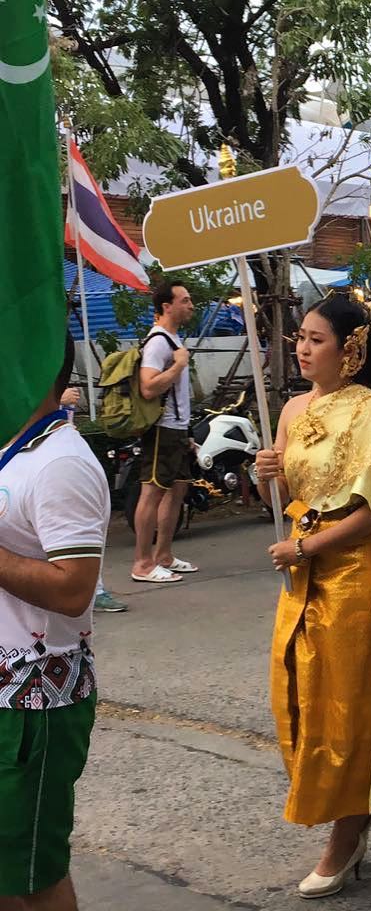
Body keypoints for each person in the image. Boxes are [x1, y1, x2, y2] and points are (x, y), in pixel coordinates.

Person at [254, 294, 371, 899]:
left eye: (316, 339)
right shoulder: (294, 407)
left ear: (350, 349)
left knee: (347, 704)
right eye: (299, 336)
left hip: (347, 578)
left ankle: (345, 838)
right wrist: (267, 470)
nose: (302, 347)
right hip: (301, 576)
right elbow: (287, 494)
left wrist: (309, 547)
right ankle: (343, 808)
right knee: (298, 696)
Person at [0, 334, 110, 911]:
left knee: (34, 870)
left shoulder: (62, 463)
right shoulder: (15, 447)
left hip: (33, 700)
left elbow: (72, 589)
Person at [132, 281, 198, 584]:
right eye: (184, 300)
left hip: (178, 428)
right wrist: (178, 367)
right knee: (153, 492)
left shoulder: (173, 338)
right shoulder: (159, 342)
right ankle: (142, 564)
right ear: (166, 307)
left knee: (177, 489)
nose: (191, 305)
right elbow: (148, 387)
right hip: (162, 428)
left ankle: (164, 555)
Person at [59, 387, 127, 613]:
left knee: (86, 526)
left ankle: (93, 590)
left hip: (62, 445)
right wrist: (59, 400)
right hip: (28, 455)